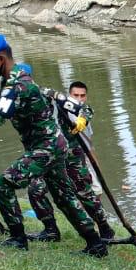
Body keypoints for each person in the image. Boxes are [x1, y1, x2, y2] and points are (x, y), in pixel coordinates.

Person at [0, 35, 107, 257]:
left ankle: (18, 239)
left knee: (2, 185)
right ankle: (96, 244)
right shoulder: (8, 80)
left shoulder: (18, 86)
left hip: (47, 147)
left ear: (0, 59)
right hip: (51, 145)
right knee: (64, 197)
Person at [26, 81, 115, 242]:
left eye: (82, 95)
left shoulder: (62, 101)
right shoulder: (31, 100)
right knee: (35, 188)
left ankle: (104, 228)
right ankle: (50, 230)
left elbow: (86, 115)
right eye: (76, 95)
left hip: (73, 157)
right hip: (48, 155)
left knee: (86, 193)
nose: (79, 98)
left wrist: (82, 121)